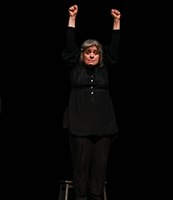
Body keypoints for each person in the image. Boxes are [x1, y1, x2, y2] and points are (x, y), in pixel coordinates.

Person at [62, 5, 121, 200]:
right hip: (79, 123)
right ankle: (80, 198)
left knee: (100, 168)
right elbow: (70, 44)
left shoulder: (104, 69)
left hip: (103, 123)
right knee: (80, 166)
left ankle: (96, 197)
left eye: (95, 52)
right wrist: (72, 17)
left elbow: (114, 47)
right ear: (83, 54)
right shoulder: (75, 67)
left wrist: (116, 22)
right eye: (88, 52)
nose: (92, 55)